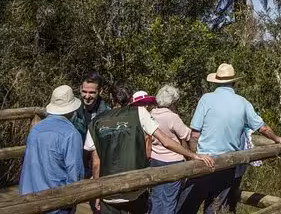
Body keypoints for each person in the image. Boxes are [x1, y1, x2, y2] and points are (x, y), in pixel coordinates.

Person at [85, 83, 215, 214]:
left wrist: (97, 193)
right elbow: (166, 141)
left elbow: (96, 163)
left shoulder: (95, 122)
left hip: (109, 191)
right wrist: (194, 155)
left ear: (111, 98)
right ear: (130, 98)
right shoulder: (139, 113)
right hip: (135, 187)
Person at [180, 63, 281, 214]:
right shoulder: (243, 102)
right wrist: (277, 138)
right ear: (234, 82)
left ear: (215, 82)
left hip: (204, 162)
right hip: (227, 163)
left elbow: (194, 134)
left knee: (186, 207)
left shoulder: (206, 99)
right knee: (215, 208)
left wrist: (195, 156)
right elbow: (262, 127)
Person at [19, 85, 84, 214]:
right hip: (56, 203)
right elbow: (74, 174)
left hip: (28, 197)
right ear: (72, 109)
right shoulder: (71, 134)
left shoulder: (36, 129)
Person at [148, 85, 193, 214]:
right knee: (169, 199)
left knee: (156, 197)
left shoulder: (152, 113)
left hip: (155, 159)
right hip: (173, 161)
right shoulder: (172, 117)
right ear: (173, 102)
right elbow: (186, 134)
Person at [71, 71, 110, 214]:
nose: (87, 96)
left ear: (100, 91)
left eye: (92, 92)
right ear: (80, 89)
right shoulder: (72, 110)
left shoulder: (106, 113)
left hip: (97, 167)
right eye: (84, 91)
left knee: (97, 207)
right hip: (76, 164)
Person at [130, 90, 157, 159]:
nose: (146, 106)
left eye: (147, 103)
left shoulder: (151, 118)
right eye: (142, 103)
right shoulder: (133, 120)